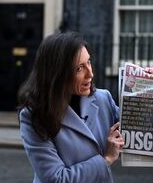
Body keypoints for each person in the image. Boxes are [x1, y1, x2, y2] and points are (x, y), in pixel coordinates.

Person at [18, 32, 124, 183]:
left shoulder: (103, 99)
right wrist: (106, 160)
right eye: (79, 68)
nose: (90, 74)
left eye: (89, 62)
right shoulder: (33, 115)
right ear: (57, 74)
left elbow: (137, 130)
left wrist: (151, 89)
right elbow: (56, 179)